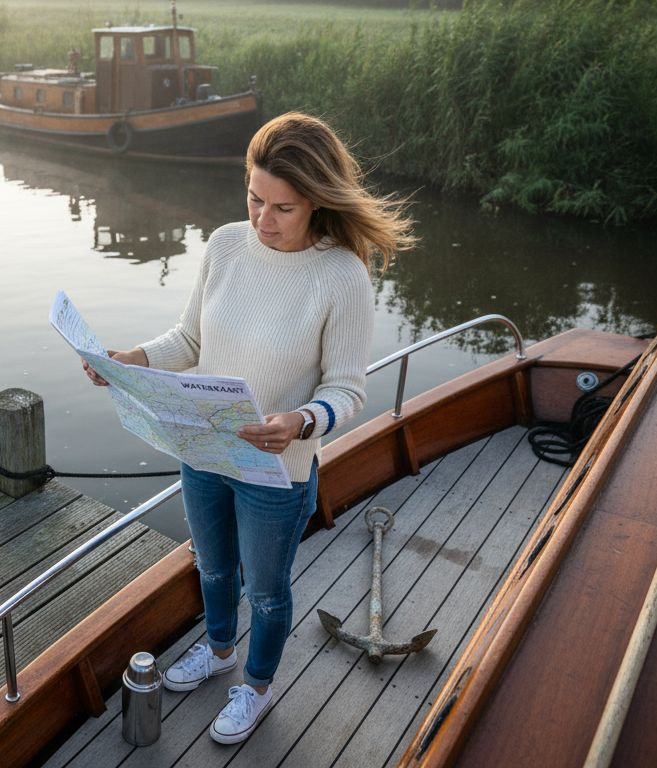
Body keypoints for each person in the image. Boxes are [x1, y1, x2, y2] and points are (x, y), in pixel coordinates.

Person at [84, 112, 415, 744]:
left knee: (265, 591)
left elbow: (346, 389)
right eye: (254, 199)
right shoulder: (225, 244)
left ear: (316, 201)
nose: (263, 219)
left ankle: (256, 688)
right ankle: (217, 648)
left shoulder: (342, 275)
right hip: (203, 447)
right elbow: (189, 339)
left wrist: (301, 422)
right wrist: (136, 360)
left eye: (282, 208)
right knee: (210, 569)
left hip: (278, 470)